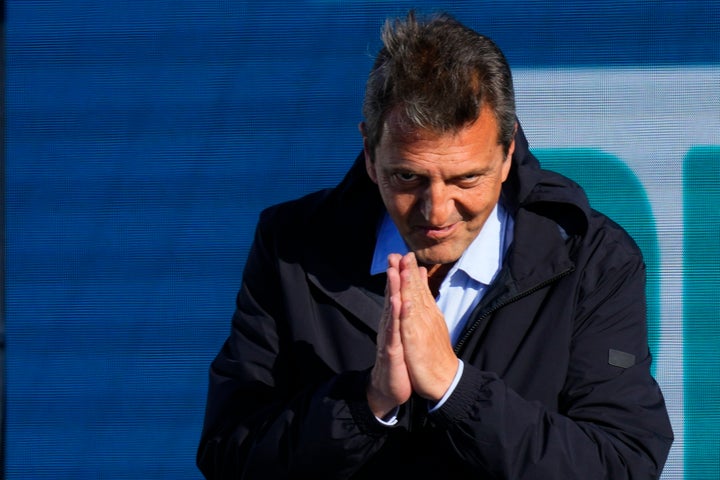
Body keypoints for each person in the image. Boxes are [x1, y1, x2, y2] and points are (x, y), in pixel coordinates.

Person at [197, 11, 673, 479]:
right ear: (369, 153)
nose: (437, 211)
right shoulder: (290, 248)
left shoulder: (593, 260)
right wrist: (366, 404)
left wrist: (455, 388)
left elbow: (621, 462)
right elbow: (230, 454)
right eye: (408, 177)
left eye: (467, 178)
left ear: (508, 154)